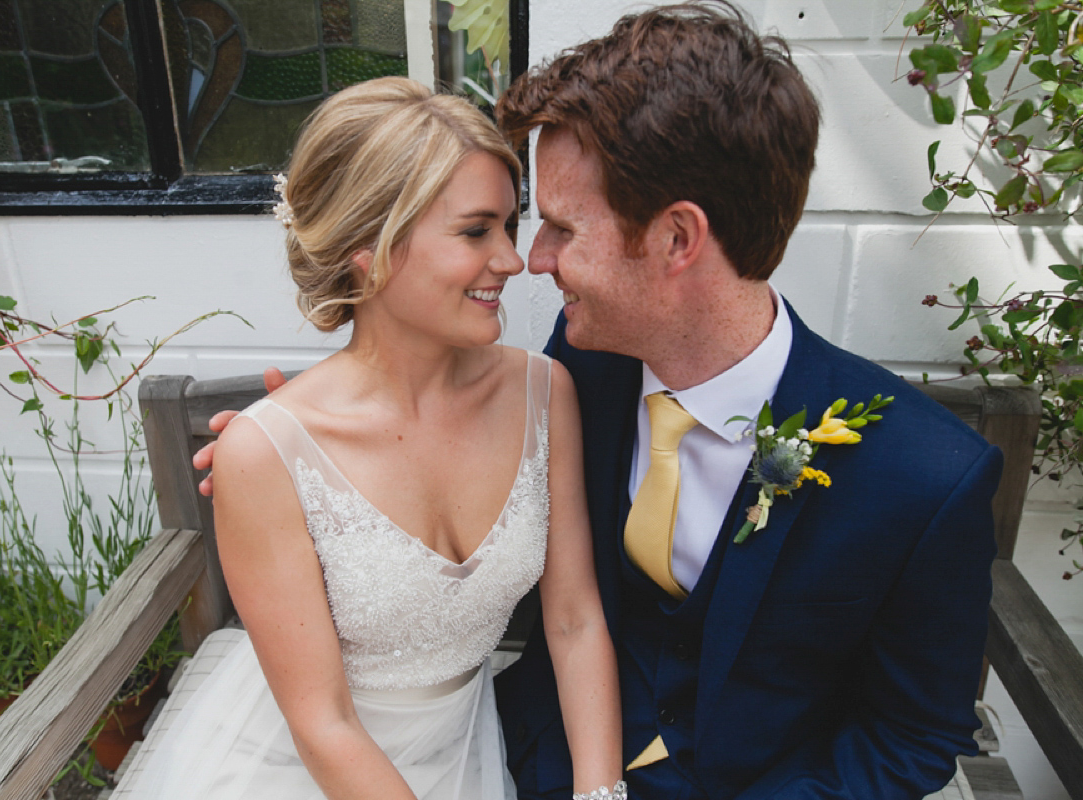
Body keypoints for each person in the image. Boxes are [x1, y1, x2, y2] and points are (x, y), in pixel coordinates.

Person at [198, 4, 1001, 798]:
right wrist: (288, 461)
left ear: (677, 239)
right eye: (507, 227)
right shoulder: (581, 375)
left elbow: (914, 737)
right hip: (522, 767)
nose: (529, 261)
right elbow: (408, 429)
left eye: (556, 228)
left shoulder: (925, 477)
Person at [127, 76, 623, 800]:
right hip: (306, 771)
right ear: (371, 245)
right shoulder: (268, 451)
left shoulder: (545, 394)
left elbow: (576, 622)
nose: (513, 261)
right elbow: (323, 721)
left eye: (508, 227)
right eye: (476, 230)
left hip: (463, 754)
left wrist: (601, 796)